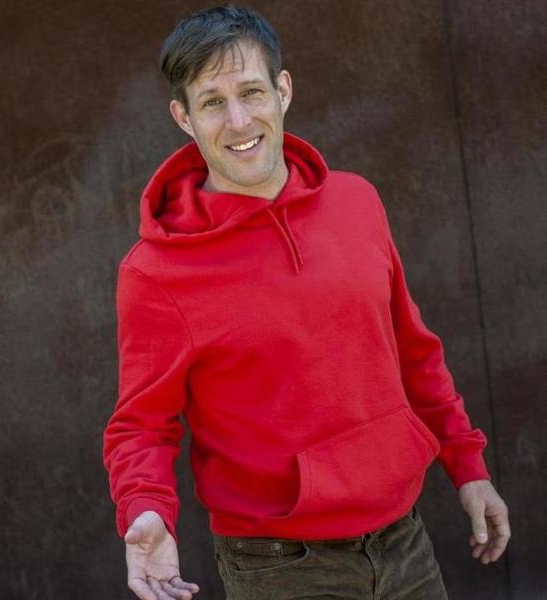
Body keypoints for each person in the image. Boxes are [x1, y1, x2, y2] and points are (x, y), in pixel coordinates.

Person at [102, 4, 511, 599]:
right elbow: (141, 424)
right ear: (183, 117)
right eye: (212, 102)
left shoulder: (356, 202)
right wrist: (145, 508)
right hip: (278, 565)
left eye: (251, 92)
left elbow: (414, 353)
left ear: (283, 91)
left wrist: (467, 467)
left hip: (405, 541)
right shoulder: (156, 271)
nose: (239, 120)